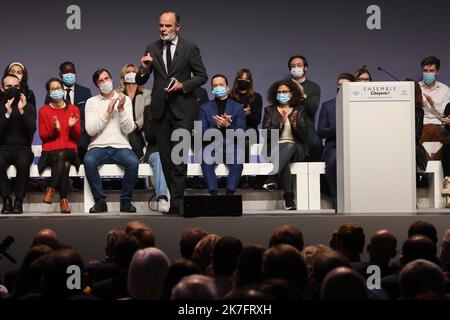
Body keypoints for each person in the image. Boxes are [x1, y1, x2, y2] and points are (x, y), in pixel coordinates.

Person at [136, 11, 208, 215]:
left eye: (168, 26)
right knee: (166, 159)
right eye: (161, 25)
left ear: (178, 27)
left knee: (179, 157)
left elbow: (202, 76)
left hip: (183, 110)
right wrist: (143, 69)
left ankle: (178, 202)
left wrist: (182, 85)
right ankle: (176, 201)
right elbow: (141, 80)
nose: (163, 29)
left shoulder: (190, 47)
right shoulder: (152, 47)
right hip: (160, 111)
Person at [84, 68, 139, 213]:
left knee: (133, 162)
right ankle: (100, 201)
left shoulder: (124, 99)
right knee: (88, 161)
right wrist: (107, 112)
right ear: (97, 85)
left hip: (120, 146)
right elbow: (90, 130)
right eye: (101, 80)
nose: (105, 82)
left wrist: (120, 110)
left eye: (106, 78)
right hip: (98, 146)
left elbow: (128, 129)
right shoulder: (91, 102)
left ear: (111, 79)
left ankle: (126, 201)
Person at [262, 80, 309, 210]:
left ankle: (272, 176)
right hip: (274, 148)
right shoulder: (269, 110)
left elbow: (304, 135)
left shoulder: (300, 110)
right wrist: (281, 124)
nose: (281, 94)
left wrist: (294, 125)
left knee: (289, 145)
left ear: (291, 93)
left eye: (284, 92)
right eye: (279, 92)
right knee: (285, 162)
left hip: (296, 149)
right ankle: (289, 199)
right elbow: (266, 133)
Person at [38, 78, 81, 213]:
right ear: (48, 92)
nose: (56, 91)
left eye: (58, 88)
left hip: (69, 151)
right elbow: (43, 136)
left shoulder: (73, 109)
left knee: (62, 154)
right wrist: (55, 130)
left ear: (63, 89)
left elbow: (77, 137)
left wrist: (71, 127)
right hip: (50, 153)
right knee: (65, 164)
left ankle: (50, 189)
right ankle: (63, 201)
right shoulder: (43, 111)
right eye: (53, 89)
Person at [199, 74, 246, 196]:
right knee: (206, 161)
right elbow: (202, 132)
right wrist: (218, 126)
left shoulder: (237, 107)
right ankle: (213, 194)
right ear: (212, 89)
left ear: (227, 87)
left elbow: (241, 132)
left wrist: (228, 126)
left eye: (221, 85)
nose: (218, 87)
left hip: (231, 146)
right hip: (212, 146)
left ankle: (229, 193)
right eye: (215, 85)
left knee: (238, 162)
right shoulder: (204, 108)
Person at [317, 73, 355, 209]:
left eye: (344, 85)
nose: (341, 87)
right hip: (335, 146)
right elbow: (321, 132)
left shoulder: (360, 104)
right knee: (333, 160)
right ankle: (336, 198)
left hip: (359, 145)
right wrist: (339, 127)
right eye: (339, 85)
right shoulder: (328, 106)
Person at [0, 74, 36, 214]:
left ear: (20, 87)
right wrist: (7, 114)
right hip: (2, 148)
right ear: (2, 89)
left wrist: (21, 111)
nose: (12, 89)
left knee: (22, 164)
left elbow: (31, 129)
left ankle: (19, 201)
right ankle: (6, 199)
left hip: (23, 149)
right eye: (9, 86)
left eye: (15, 86)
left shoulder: (28, 107)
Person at [45, 62, 92, 162]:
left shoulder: (85, 92)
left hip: (80, 132)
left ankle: (79, 174)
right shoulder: (53, 94)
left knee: (83, 145)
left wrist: (78, 128)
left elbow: (88, 114)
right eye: (66, 72)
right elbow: (49, 115)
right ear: (60, 74)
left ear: (75, 72)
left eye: (71, 71)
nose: (69, 74)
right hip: (59, 133)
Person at [229, 68, 263, 188]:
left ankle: (245, 176)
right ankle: (235, 175)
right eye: (241, 78)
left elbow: (257, 121)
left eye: (246, 79)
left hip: (250, 129)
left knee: (246, 138)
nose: (243, 81)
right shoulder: (230, 97)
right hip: (233, 130)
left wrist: (248, 115)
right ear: (237, 80)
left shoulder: (256, 97)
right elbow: (228, 119)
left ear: (250, 81)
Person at [288, 55, 322, 161]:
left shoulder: (314, 87)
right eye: (293, 66)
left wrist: (303, 95)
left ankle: (312, 175)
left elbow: (313, 109)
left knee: (316, 144)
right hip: (287, 124)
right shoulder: (284, 86)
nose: (296, 68)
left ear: (305, 68)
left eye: (299, 65)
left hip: (307, 125)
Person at [117, 64, 150, 160]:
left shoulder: (146, 94)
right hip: (121, 131)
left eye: (133, 72)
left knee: (131, 131)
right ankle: (140, 158)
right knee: (128, 130)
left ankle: (139, 158)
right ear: (123, 77)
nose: (131, 74)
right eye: (128, 72)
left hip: (140, 130)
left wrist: (135, 125)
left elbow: (147, 115)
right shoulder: (117, 93)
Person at [419, 56, 450, 159]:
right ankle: (428, 166)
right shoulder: (416, 88)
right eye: (425, 71)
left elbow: (443, 117)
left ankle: (440, 169)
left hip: (439, 127)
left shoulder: (445, 90)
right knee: (410, 140)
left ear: (437, 72)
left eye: (431, 71)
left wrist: (432, 104)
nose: (428, 74)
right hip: (421, 126)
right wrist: (417, 107)